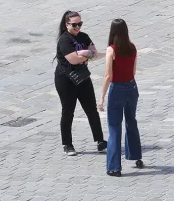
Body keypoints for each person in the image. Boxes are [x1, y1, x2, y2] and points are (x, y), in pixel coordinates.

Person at [54, 10, 106, 156]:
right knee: (68, 111)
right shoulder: (64, 40)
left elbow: (94, 53)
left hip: (82, 77)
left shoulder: (84, 36)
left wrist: (83, 54)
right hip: (66, 80)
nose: (78, 27)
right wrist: (86, 54)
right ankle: (67, 144)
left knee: (91, 110)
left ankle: (100, 141)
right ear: (66, 25)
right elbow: (73, 60)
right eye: (74, 24)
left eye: (80, 24)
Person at [98, 19, 143, 177]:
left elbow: (108, 75)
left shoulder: (112, 50)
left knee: (114, 127)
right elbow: (134, 70)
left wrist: (102, 98)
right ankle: (136, 157)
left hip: (117, 89)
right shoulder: (132, 47)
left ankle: (114, 167)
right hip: (132, 87)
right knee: (131, 121)